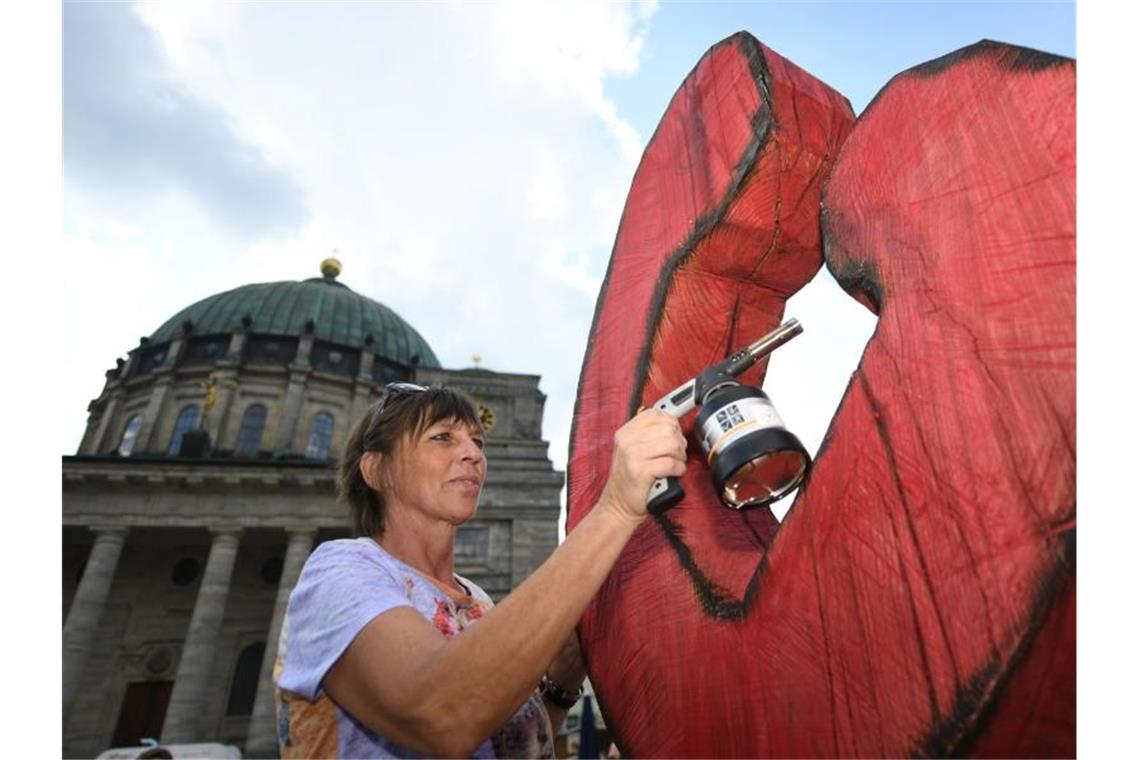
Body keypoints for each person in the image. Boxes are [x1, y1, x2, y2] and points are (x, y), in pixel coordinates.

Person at [274, 382, 686, 758]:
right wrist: (614, 510)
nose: (473, 453)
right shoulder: (338, 570)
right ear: (375, 470)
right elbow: (442, 711)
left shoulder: (476, 601)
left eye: (477, 440)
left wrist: (561, 681)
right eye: (442, 438)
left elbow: (504, 743)